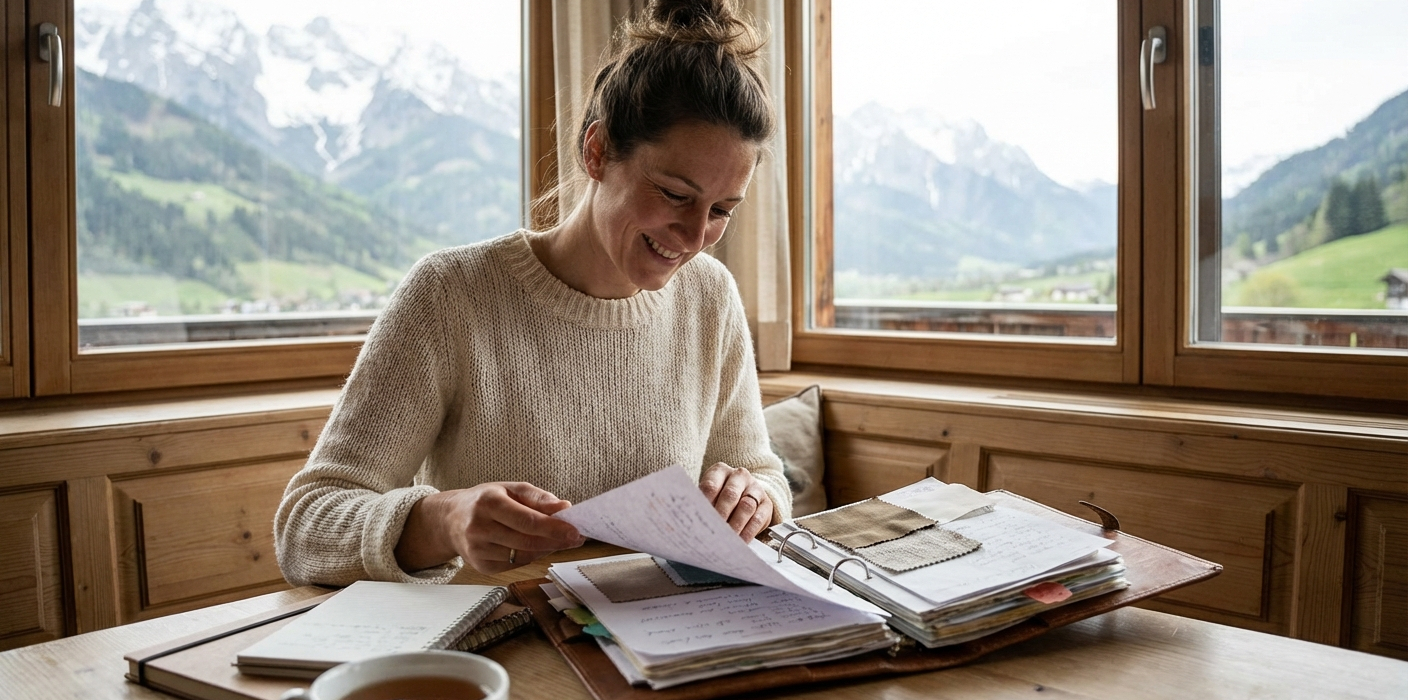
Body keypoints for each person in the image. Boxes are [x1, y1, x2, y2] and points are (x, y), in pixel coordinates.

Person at [274, 0, 792, 587]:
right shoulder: (451, 297)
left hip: (662, 653)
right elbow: (305, 528)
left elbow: (760, 474)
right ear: (596, 151)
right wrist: (443, 520)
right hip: (500, 655)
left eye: (722, 210)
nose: (697, 237)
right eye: (675, 194)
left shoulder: (710, 297)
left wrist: (755, 497)